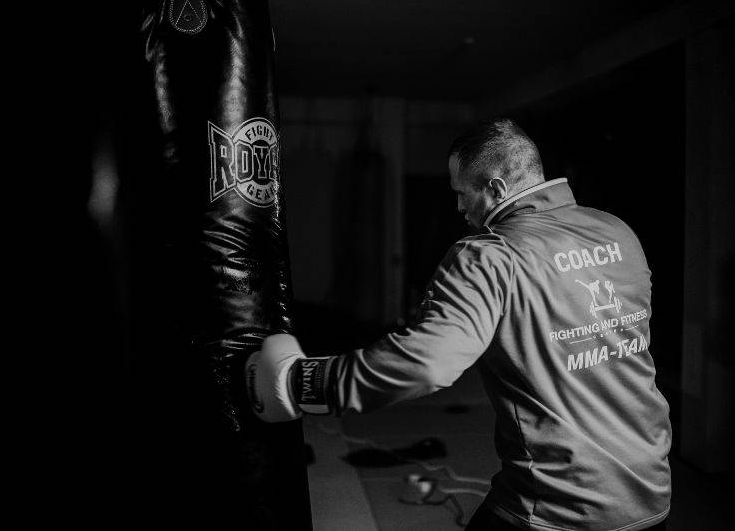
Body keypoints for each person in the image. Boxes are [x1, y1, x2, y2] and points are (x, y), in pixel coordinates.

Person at [246, 118, 672, 531]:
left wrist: (308, 384)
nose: (458, 207)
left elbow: (426, 364)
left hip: (559, 501)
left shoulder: (490, 255)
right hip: (650, 487)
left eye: (462, 193)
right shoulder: (617, 231)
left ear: (497, 188)